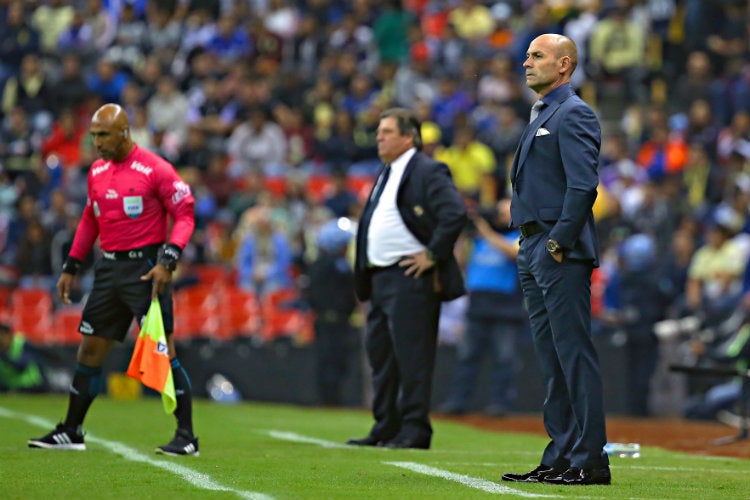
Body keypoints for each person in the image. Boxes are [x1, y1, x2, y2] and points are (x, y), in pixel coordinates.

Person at [28, 103, 198, 455]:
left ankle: (187, 437)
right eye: (93, 135)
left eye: (103, 134)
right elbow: (91, 220)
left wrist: (169, 259)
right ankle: (72, 431)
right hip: (108, 269)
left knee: (163, 352)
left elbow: (184, 213)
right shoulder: (97, 171)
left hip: (146, 270)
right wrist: (71, 266)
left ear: (124, 133)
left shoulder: (155, 169)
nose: (97, 142)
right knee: (89, 349)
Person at [501, 34, 611, 485]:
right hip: (534, 246)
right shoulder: (545, 112)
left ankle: (590, 460)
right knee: (551, 359)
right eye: (527, 55)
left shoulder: (575, 112)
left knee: (572, 354)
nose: (526, 63)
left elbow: (584, 186)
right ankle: (562, 455)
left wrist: (558, 241)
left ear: (564, 65)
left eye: (537, 56)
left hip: (554, 248)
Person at [347, 107, 467, 449]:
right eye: (379, 131)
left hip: (410, 277)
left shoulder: (428, 170)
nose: (379, 137)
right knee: (381, 356)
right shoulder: (386, 173)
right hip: (381, 278)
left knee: (412, 357)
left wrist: (432, 254)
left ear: (409, 137)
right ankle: (386, 426)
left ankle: (415, 429)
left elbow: (454, 213)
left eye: (386, 131)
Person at [440, 198, 527, 417]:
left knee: (505, 359)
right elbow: (457, 261)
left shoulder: (521, 236)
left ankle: (499, 404)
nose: (505, 216)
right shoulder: (477, 240)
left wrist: (484, 230)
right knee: (467, 357)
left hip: (506, 307)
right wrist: (461, 234)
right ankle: (457, 401)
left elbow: (513, 253)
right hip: (477, 305)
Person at [305, 218, 357, 406]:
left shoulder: (316, 264)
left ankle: (328, 400)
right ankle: (330, 400)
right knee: (333, 363)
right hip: (334, 322)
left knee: (329, 362)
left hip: (327, 321)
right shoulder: (337, 266)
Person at [0, 323, 46, 393]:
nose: (1, 340)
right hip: (9, 387)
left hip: (30, 386)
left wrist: (3, 356)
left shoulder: (22, 344)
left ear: (10, 336)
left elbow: (22, 366)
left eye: (3, 336)